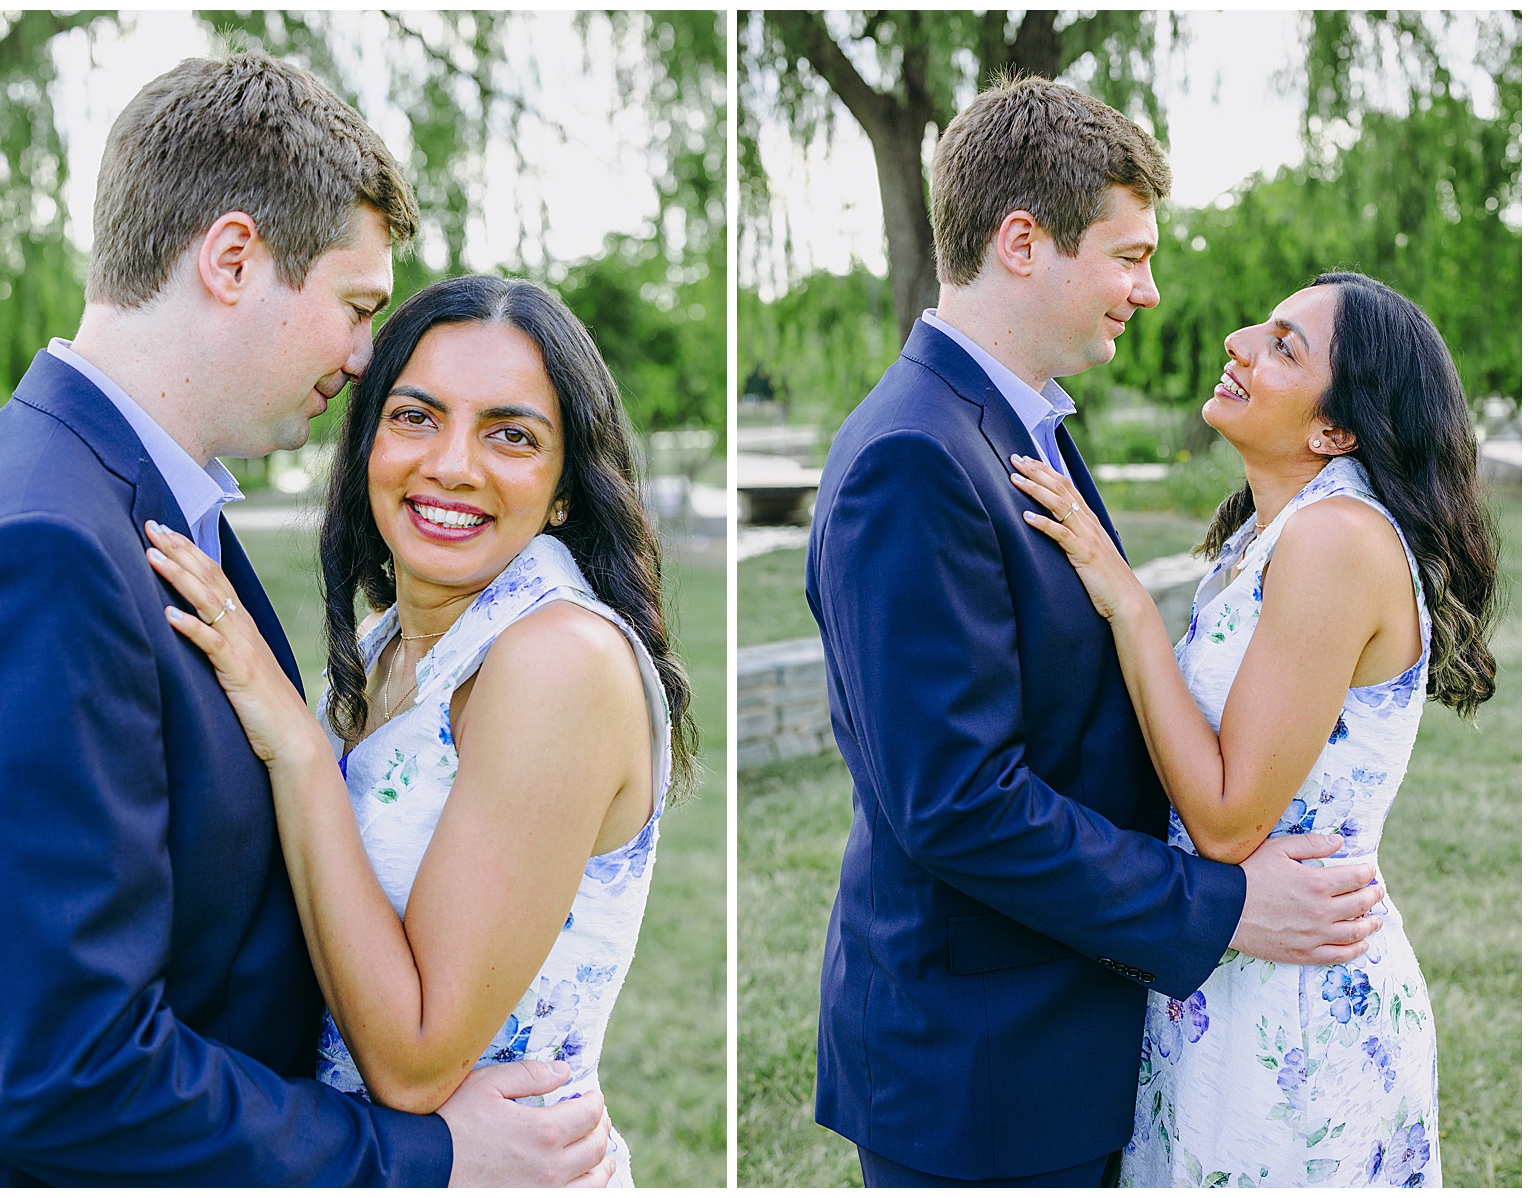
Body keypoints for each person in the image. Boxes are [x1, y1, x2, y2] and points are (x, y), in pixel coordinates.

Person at [0, 52, 610, 1186]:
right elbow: (62, 1068)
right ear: (234, 259)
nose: (361, 358)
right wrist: (418, 1155)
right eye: (355, 308)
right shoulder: (49, 543)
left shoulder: (139, 499)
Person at [805, 74, 1390, 1188]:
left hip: (1057, 1030)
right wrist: (1221, 906)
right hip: (981, 1068)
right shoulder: (914, 457)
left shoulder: (1017, 427)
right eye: (1128, 257)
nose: (1151, 291)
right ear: (1022, 242)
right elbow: (958, 803)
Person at [143, 274, 697, 1188]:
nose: (452, 465)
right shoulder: (388, 643)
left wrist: (298, 748)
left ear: (564, 489)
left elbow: (413, 1059)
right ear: (367, 445)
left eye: (511, 435)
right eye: (415, 417)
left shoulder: (557, 658)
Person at [1010, 272, 1498, 1187]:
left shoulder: (1337, 541)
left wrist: (1127, 603)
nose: (1238, 340)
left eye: (1284, 346)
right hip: (1226, 972)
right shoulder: (1271, 536)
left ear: (1334, 430)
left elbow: (1230, 820)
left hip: (1297, 1011)